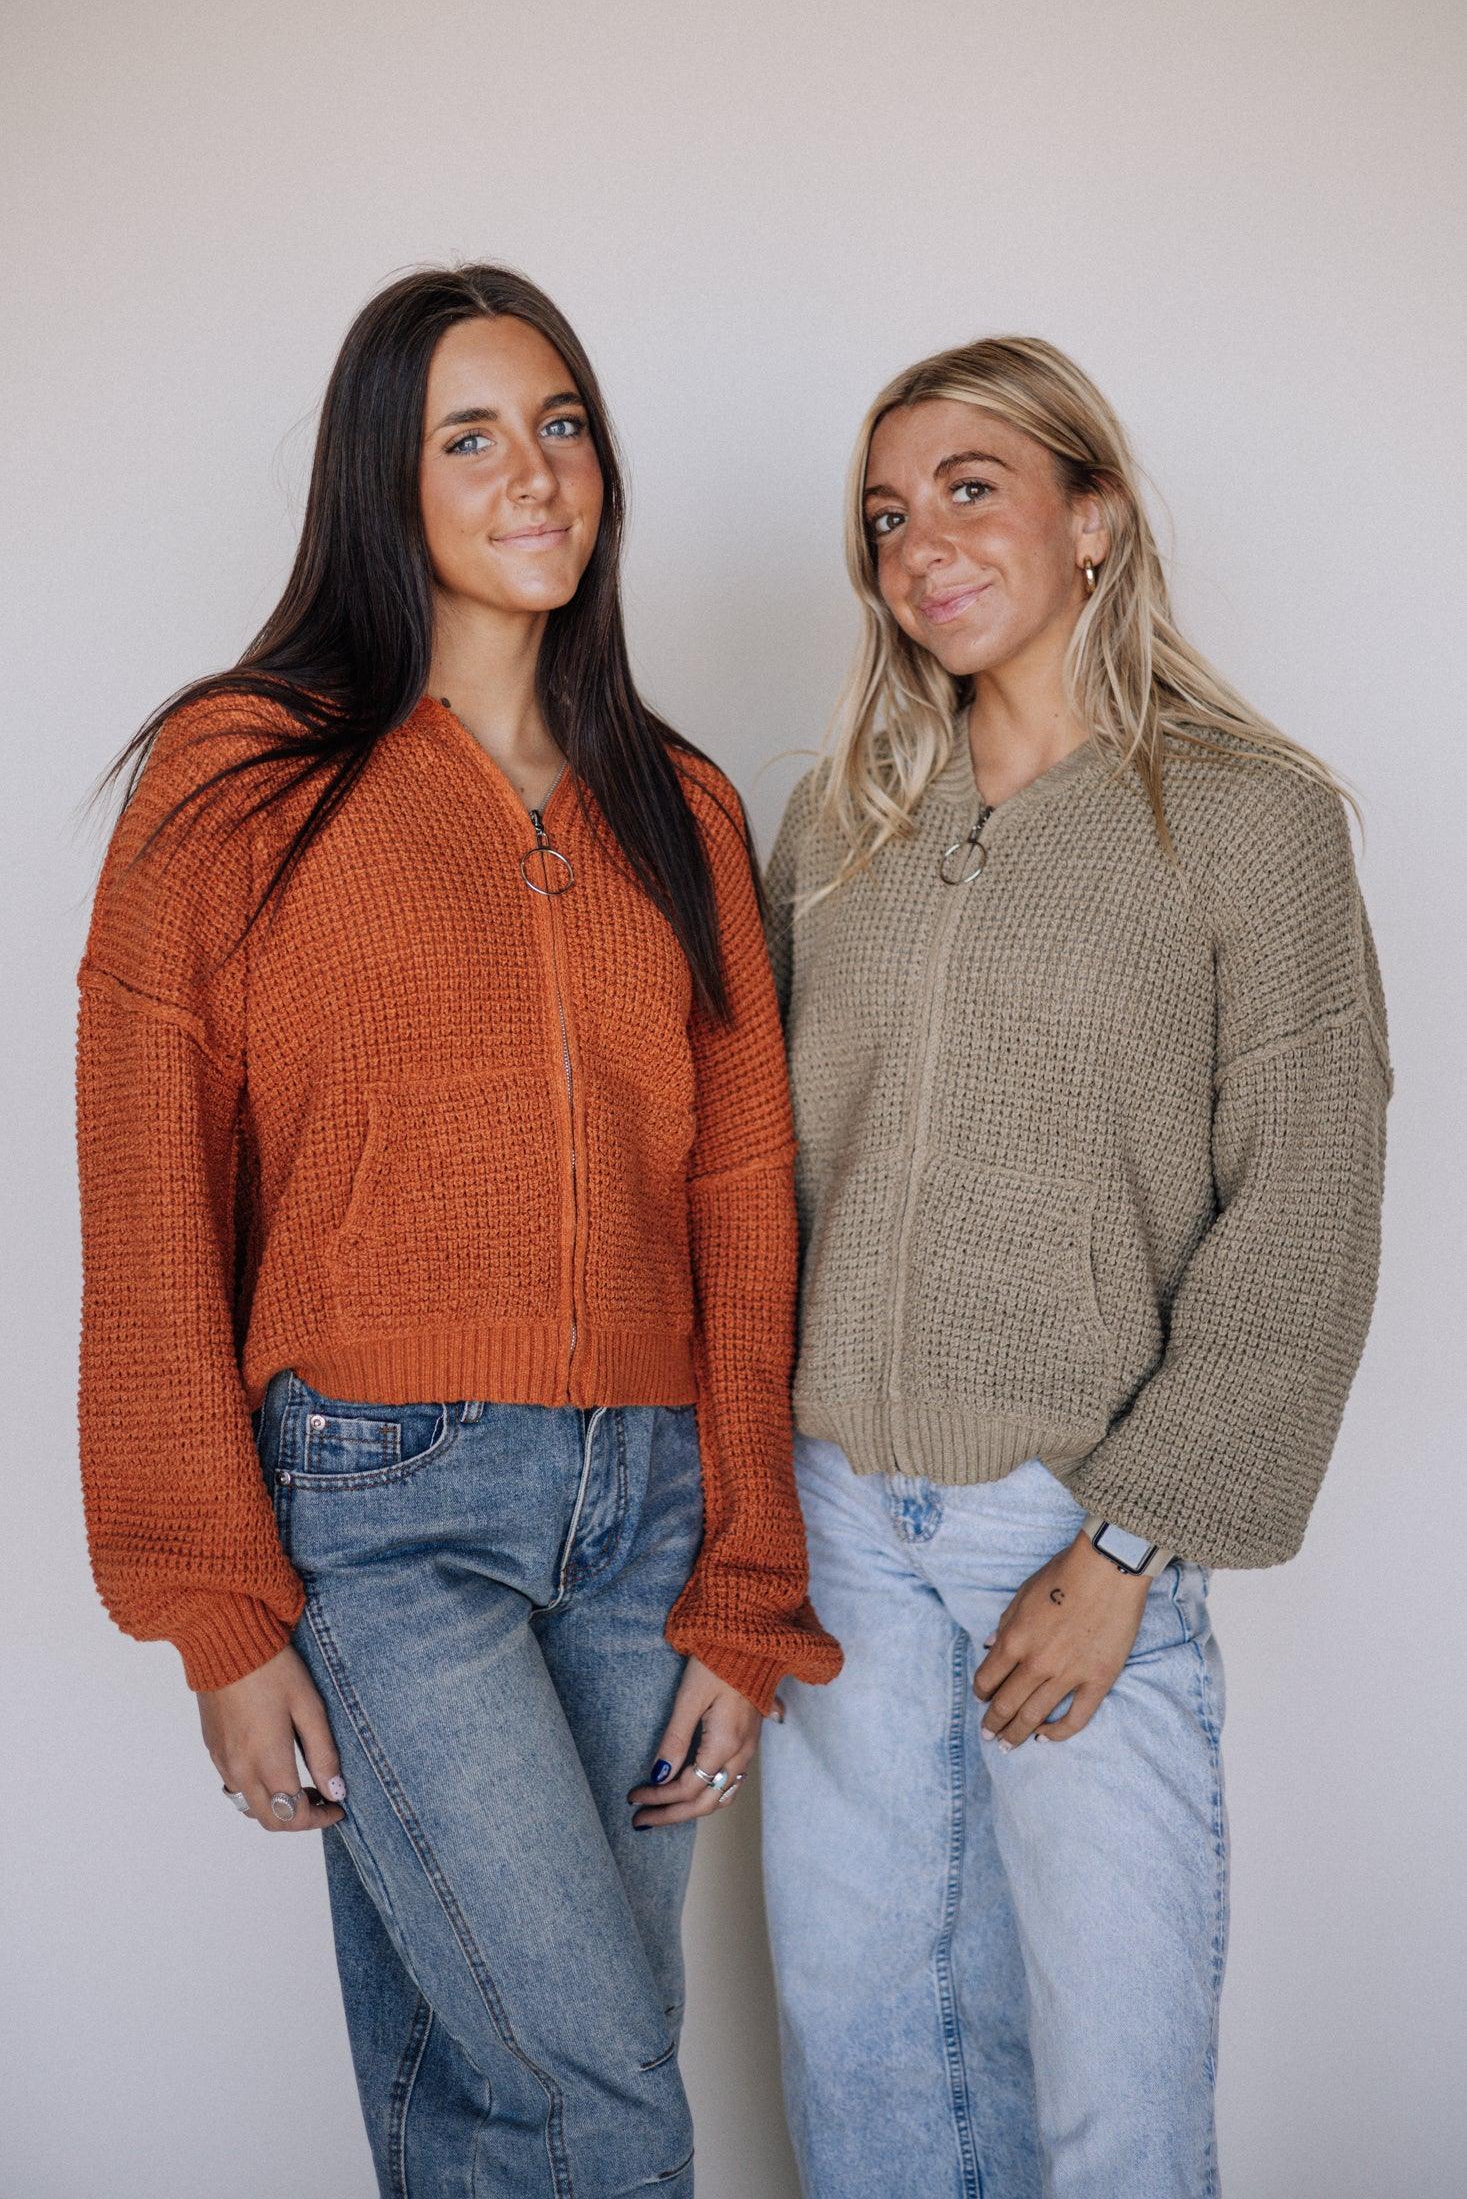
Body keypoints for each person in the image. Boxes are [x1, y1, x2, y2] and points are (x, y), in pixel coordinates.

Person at [75, 262, 840, 2199]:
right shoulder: (238, 780)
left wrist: (746, 1583)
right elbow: (148, 1191)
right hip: (378, 1508)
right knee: (601, 2082)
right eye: (471, 437)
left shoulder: (677, 802)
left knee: (488, 2089)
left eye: (561, 426)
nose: (536, 475)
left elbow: (744, 1209)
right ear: (381, 480)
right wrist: (215, 1605)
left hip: (650, 1510)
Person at [758, 334, 1391, 2198]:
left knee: (1115, 2105)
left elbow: (1307, 1207)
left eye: (972, 489)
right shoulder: (841, 825)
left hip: (1069, 1522)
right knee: (866, 2072)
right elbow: (763, 1182)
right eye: (887, 517)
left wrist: (1125, 1551)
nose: (923, 546)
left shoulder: (1250, 818)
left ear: (1092, 515)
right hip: (837, 1530)